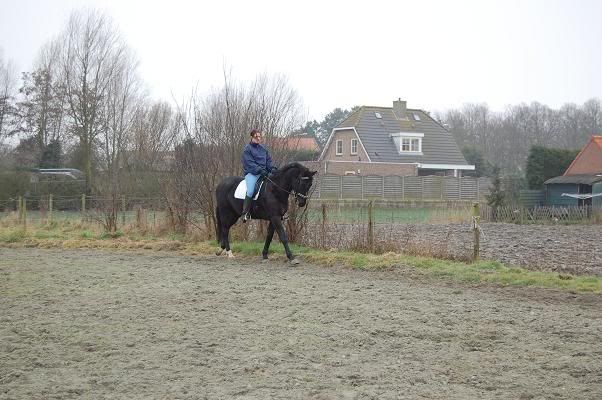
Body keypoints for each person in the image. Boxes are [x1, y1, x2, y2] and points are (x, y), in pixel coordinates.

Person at [241, 129, 276, 222]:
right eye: (256, 137)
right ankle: (245, 213)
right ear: (251, 137)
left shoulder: (263, 149)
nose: (258, 138)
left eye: (259, 137)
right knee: (250, 191)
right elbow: (249, 163)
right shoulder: (247, 149)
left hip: (264, 173)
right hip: (252, 173)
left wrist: (272, 168)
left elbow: (268, 161)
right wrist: (259, 170)